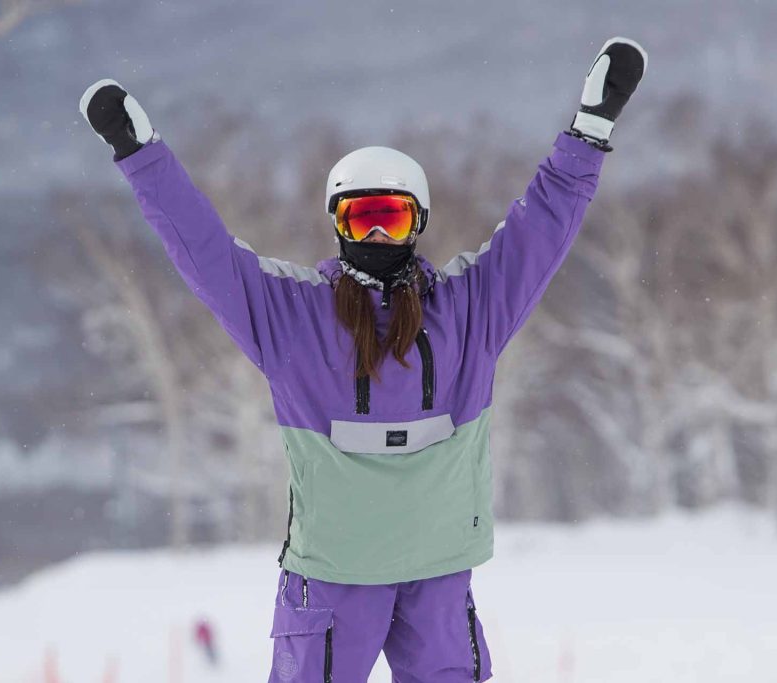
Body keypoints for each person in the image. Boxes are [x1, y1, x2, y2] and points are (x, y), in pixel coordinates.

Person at [79, 36, 646, 683]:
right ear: (339, 224)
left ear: (419, 223)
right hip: (333, 580)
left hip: (434, 574)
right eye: (362, 216)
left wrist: (589, 130)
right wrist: (141, 155)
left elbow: (538, 231)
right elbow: (206, 253)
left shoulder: (468, 311)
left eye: (392, 218)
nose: (377, 233)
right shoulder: (292, 316)